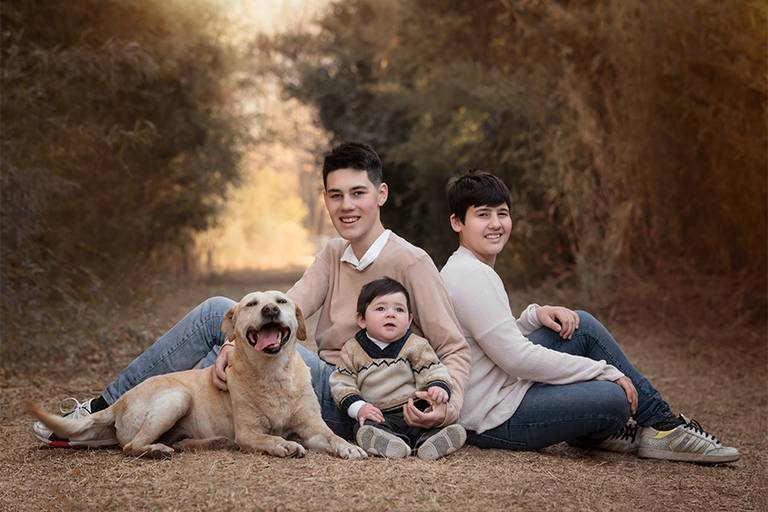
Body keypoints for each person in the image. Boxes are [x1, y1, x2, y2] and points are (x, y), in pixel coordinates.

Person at [33, 142, 471, 447]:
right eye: (336, 195)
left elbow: (454, 348)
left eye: (358, 193)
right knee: (220, 335)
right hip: (307, 384)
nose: (346, 206)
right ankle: (105, 417)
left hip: (354, 395)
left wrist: (446, 404)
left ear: (381, 194)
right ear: (325, 199)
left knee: (215, 311)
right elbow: (282, 308)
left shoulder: (411, 261)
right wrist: (232, 343)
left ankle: (96, 416)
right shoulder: (332, 253)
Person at [439, 169, 740, 464]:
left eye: (502, 213)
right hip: (491, 418)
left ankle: (660, 424)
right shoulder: (471, 276)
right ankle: (656, 426)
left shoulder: (466, 267)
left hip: (498, 392)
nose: (496, 224)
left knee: (581, 325)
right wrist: (604, 370)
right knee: (614, 399)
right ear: (457, 222)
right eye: (483, 215)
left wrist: (535, 315)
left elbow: (492, 338)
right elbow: (516, 358)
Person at [329, 277, 466, 460]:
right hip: (379, 414)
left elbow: (433, 369)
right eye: (380, 308)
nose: (391, 314)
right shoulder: (352, 349)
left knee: (429, 423)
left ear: (409, 320)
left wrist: (438, 387)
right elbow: (341, 382)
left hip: (414, 410)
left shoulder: (416, 345)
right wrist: (359, 407)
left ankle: (431, 443)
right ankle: (391, 443)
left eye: (399, 309)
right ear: (361, 319)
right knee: (364, 426)